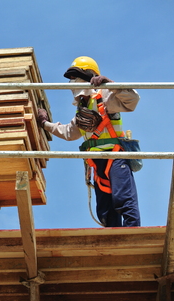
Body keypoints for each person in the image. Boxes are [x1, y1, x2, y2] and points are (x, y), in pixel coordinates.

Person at [37, 56, 141, 227]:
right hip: (97, 164)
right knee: (105, 211)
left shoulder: (105, 96)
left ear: (90, 76)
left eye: (76, 77)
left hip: (115, 158)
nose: (73, 82)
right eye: (71, 78)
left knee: (124, 200)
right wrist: (44, 123)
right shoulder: (82, 110)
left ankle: (134, 237)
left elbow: (132, 101)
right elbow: (69, 132)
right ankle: (114, 243)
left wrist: (111, 84)